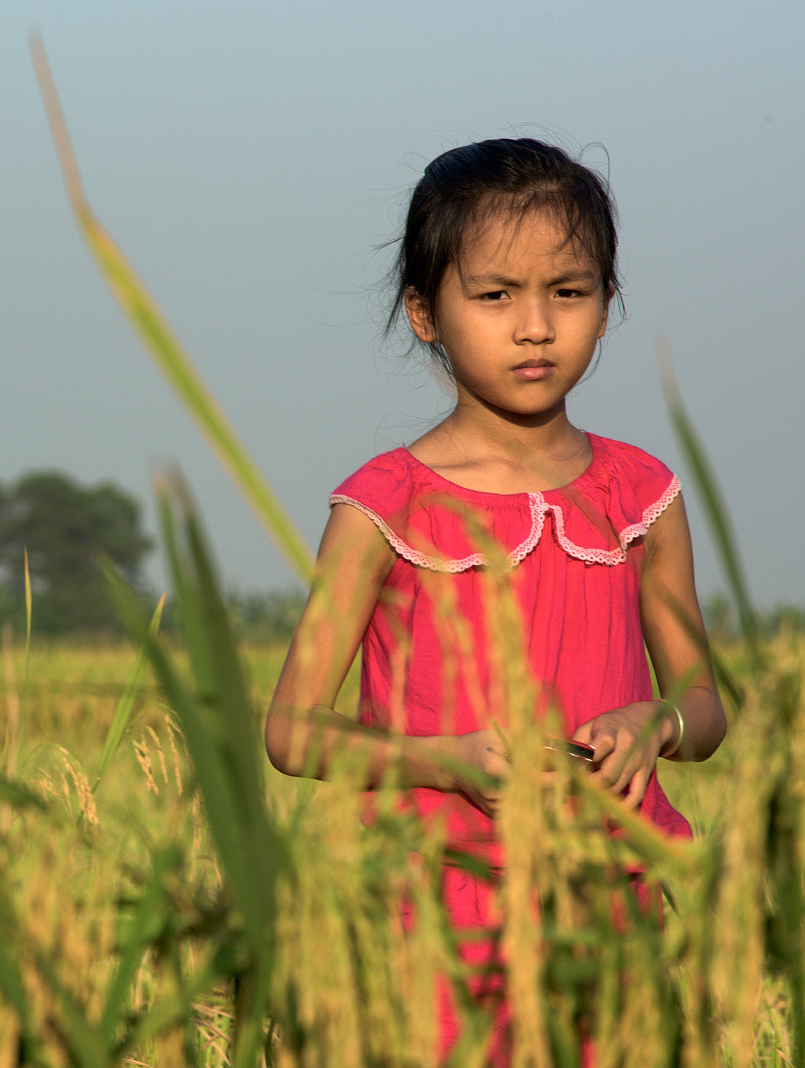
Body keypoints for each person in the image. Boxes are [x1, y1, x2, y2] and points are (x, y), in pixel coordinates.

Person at [264, 137, 727, 1062]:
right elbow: (292, 730)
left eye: (569, 291)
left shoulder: (642, 497)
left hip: (610, 895)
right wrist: (440, 762)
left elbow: (708, 707)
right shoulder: (384, 505)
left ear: (608, 302)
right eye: (494, 295)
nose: (535, 328)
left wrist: (657, 724)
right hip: (437, 905)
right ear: (424, 312)